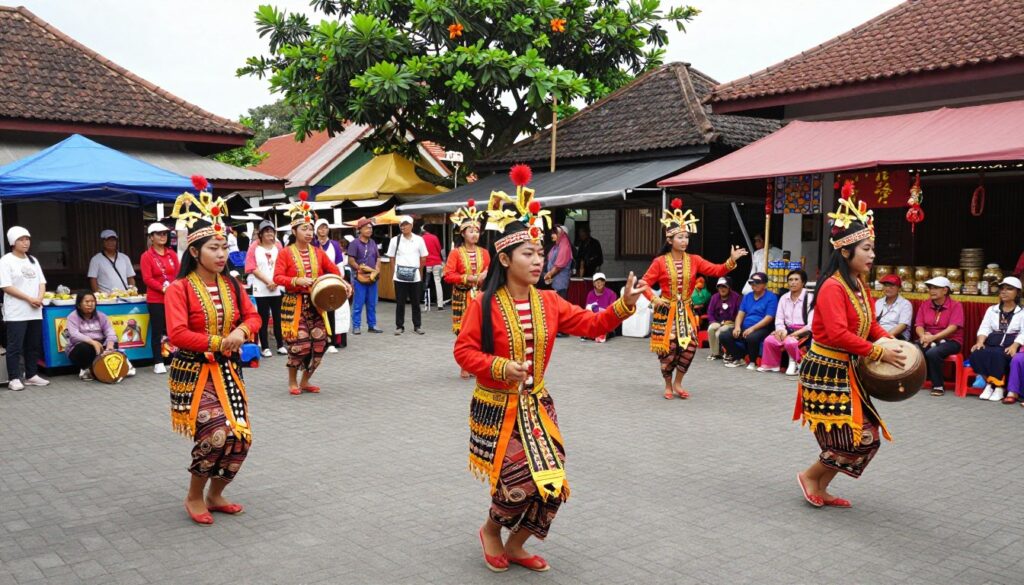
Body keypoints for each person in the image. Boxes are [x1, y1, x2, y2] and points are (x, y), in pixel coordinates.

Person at [454, 165, 645, 573]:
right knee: (518, 484)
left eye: (541, 253)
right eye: (528, 253)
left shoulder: (549, 302)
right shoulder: (483, 305)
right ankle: (491, 531)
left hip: (537, 406)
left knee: (553, 485)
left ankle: (516, 545)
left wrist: (623, 304)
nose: (538, 260)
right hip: (497, 407)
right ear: (504, 258)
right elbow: (464, 352)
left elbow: (592, 324)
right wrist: (500, 366)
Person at [794, 183, 904, 509]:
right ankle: (810, 477)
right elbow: (839, 334)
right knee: (855, 438)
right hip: (825, 372)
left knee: (865, 438)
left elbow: (869, 324)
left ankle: (820, 484)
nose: (873, 255)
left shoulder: (858, 284)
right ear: (846, 251)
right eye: (866, 249)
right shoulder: (832, 287)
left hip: (847, 371)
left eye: (872, 248)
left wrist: (888, 340)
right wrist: (878, 351)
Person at [165, 180, 261, 526]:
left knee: (241, 438)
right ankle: (194, 495)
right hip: (193, 372)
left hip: (228, 371)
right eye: (213, 248)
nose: (221, 255)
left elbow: (253, 316)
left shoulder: (232, 284)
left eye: (224, 247)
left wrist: (241, 332)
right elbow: (177, 334)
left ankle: (216, 494)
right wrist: (221, 342)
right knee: (216, 433)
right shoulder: (179, 289)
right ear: (194, 252)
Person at [640, 198, 746, 399]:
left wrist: (731, 260)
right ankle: (668, 384)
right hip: (666, 312)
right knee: (669, 349)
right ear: (670, 240)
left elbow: (717, 270)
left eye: (686, 237)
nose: (684, 241)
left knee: (689, 347)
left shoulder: (694, 260)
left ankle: (679, 382)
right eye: (680, 237)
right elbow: (643, 283)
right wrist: (654, 300)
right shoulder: (659, 262)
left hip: (686, 312)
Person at [273, 192, 348, 395]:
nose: (308, 232)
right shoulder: (285, 252)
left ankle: (305, 381)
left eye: (310, 229)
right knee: (300, 344)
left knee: (320, 344)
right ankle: (292, 381)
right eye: (304, 228)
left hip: (316, 304)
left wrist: (343, 283)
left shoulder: (317, 252)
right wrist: (296, 280)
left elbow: (335, 271)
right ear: (294, 230)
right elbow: (277, 277)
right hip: (294, 303)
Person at [444, 200, 490, 378]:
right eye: (471, 231)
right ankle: (465, 364)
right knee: (463, 332)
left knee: (480, 331)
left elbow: (490, 271)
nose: (474, 234)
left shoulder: (484, 253)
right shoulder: (455, 253)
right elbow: (448, 275)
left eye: (477, 231)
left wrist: (485, 275)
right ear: (462, 233)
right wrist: (468, 278)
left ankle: (477, 365)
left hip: (479, 296)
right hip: (462, 296)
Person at [0, 226, 49, 391]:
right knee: (15, 346)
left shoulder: (33, 260)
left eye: (27, 239)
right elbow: (6, 286)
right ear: (13, 242)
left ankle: (31, 375)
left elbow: (42, 282)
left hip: (34, 310)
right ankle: (14, 377)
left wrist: (39, 298)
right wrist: (29, 299)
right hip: (16, 312)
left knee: (33, 345)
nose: (25, 242)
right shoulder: (6, 260)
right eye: (21, 239)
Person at [970, 277, 1023, 402]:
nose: (1004, 291)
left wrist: (1015, 346)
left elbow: (1023, 332)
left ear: (1018, 293)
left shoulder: (1022, 312)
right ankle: (991, 384)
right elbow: (985, 328)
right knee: (976, 353)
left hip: (1010, 344)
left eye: (1009, 289)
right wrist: (980, 342)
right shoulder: (992, 310)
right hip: (992, 342)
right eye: (1002, 289)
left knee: (999, 354)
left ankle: (998, 387)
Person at [914, 276, 965, 397]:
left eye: (936, 288)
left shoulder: (956, 305)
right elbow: (919, 325)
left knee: (933, 352)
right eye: (930, 288)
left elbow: (953, 327)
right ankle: (917, 381)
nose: (932, 291)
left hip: (951, 340)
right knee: (913, 348)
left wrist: (934, 337)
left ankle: (938, 385)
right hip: (928, 338)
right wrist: (923, 336)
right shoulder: (925, 304)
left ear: (945, 290)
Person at [140, 222, 180, 374]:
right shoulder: (146, 256)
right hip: (156, 299)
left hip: (173, 298)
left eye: (164, 233)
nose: (163, 236)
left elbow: (179, 273)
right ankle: (158, 361)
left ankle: (173, 359)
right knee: (157, 330)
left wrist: (175, 287)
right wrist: (163, 288)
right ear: (151, 237)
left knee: (174, 329)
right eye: (158, 234)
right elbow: (147, 278)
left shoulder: (172, 254)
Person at [759, 269, 813, 375]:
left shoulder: (810, 298)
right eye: (790, 280)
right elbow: (779, 319)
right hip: (787, 330)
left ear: (803, 282)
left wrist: (794, 334)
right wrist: (781, 330)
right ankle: (772, 365)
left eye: (796, 279)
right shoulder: (784, 298)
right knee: (769, 340)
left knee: (790, 341)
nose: (793, 282)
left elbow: (811, 324)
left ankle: (798, 363)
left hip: (804, 332)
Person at [246, 220, 287, 357]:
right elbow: (252, 267)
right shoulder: (254, 247)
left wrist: (275, 281)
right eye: (266, 231)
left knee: (278, 317)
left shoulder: (278, 246)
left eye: (271, 231)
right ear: (261, 234)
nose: (270, 233)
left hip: (277, 287)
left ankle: (280, 345)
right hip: (261, 288)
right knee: (263, 318)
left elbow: (283, 265)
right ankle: (265, 347)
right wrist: (268, 281)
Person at [720, 272, 778, 370]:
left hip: (762, 327)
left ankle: (753, 361)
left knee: (752, 337)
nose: (754, 284)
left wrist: (752, 328)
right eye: (752, 282)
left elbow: (769, 317)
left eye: (757, 282)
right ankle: (739, 357)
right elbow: (740, 314)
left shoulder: (771, 297)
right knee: (724, 335)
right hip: (746, 326)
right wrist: (737, 327)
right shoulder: (747, 296)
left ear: (764, 284)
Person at [386, 216, 428, 335]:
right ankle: (399, 326)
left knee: (416, 302)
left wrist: (419, 272)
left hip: (415, 275)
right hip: (400, 276)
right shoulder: (395, 240)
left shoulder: (419, 240)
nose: (403, 227)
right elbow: (391, 258)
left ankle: (417, 326)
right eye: (402, 225)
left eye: (406, 224)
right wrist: (394, 272)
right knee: (400, 302)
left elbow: (423, 257)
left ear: (411, 225)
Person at [65, 291, 117, 380]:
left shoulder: (101, 316)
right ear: (79, 305)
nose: (90, 304)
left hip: (100, 345)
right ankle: (85, 369)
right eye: (87, 302)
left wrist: (109, 347)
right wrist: (92, 342)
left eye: (92, 301)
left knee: (113, 342)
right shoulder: (72, 317)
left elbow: (110, 331)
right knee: (84, 348)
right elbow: (74, 335)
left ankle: (114, 367)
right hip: (79, 347)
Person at [314, 218, 346, 353]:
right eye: (320, 227)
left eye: (325, 227)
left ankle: (331, 341)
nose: (323, 230)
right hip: (316, 282)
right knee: (316, 313)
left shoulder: (334, 245)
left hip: (331, 281)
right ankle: (318, 341)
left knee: (331, 310)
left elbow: (339, 263)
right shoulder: (312, 244)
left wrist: (340, 277)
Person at [348, 217, 382, 335]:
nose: (369, 230)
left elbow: (378, 258)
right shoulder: (354, 243)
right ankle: (356, 326)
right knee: (358, 303)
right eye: (367, 228)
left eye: (371, 228)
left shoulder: (373, 242)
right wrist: (360, 269)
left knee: (372, 303)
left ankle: (372, 325)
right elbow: (351, 260)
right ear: (360, 229)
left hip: (372, 277)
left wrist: (376, 270)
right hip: (359, 278)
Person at [88, 230, 137, 294]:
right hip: (107, 297)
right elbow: (93, 279)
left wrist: (132, 292)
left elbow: (130, 278)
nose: (110, 243)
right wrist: (99, 295)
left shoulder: (125, 258)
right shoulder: (95, 259)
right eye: (107, 240)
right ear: (102, 242)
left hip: (125, 295)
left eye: (113, 240)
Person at [706, 276, 741, 361]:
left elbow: (739, 313)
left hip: (730, 322)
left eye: (724, 286)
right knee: (711, 329)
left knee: (720, 332)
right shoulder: (714, 297)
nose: (722, 289)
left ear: (729, 287)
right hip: (717, 321)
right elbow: (710, 312)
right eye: (719, 286)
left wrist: (732, 321)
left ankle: (727, 352)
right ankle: (715, 353)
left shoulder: (736, 297)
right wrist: (713, 321)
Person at [874, 274, 913, 340]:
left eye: (891, 286)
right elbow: (874, 322)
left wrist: (885, 337)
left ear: (899, 288)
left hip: (897, 336)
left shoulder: (905, 304)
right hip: (879, 334)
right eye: (886, 285)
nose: (887, 288)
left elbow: (902, 325)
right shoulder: (879, 302)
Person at [583, 272, 618, 343]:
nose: (599, 283)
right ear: (593, 283)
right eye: (597, 282)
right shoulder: (590, 294)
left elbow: (612, 311)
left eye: (601, 281)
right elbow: (587, 309)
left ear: (604, 282)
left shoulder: (611, 294)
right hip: (594, 319)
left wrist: (598, 309)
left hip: (606, 319)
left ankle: (603, 333)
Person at [544, 225, 573, 300]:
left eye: (554, 233)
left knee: (560, 305)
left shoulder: (565, 248)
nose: (552, 235)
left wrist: (547, 276)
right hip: (553, 284)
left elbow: (558, 267)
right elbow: (549, 262)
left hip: (560, 286)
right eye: (552, 233)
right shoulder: (556, 247)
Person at [422, 224, 446, 310]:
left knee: (426, 282)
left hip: (427, 263)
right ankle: (440, 304)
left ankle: (425, 302)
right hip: (437, 262)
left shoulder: (422, 238)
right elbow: (439, 249)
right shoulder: (435, 237)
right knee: (438, 282)